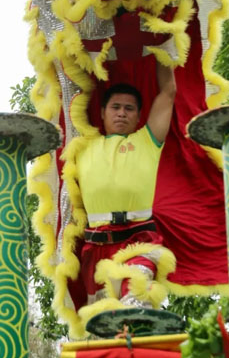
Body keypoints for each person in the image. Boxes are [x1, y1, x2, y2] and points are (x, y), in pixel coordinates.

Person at [75, 60, 177, 313]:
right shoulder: (83, 145)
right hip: (95, 248)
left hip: (139, 240)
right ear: (102, 112)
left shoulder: (148, 140)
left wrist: (163, 48)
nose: (122, 113)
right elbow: (68, 96)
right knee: (101, 323)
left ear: (139, 115)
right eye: (116, 107)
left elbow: (168, 92)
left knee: (135, 302)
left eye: (129, 108)